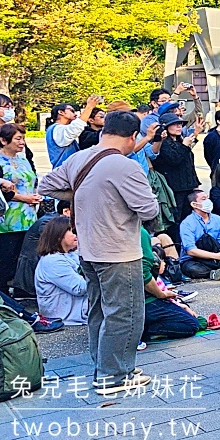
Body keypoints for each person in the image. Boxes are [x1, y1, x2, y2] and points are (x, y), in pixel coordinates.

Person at [38, 110, 160, 394]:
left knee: (99, 311)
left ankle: (107, 365)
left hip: (88, 251)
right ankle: (114, 376)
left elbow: (46, 186)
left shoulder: (79, 157)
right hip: (119, 251)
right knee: (125, 313)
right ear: (132, 137)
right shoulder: (126, 166)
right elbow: (149, 209)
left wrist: (82, 194)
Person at [0, 123, 43, 294]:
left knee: (26, 257)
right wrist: (24, 198)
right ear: (4, 140)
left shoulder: (23, 158)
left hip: (28, 215)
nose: (22, 142)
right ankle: (2, 294)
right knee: (5, 258)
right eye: (18, 138)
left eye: (23, 138)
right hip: (8, 218)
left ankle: (23, 290)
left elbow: (31, 181)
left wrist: (34, 195)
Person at [140, 227, 202, 341]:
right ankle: (144, 331)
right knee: (191, 325)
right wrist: (161, 294)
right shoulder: (139, 232)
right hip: (145, 300)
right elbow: (144, 273)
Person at [34, 216, 88, 325]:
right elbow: (79, 288)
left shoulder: (70, 254)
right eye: (71, 231)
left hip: (78, 307)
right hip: (66, 314)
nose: (76, 235)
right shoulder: (52, 261)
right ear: (58, 236)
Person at [151, 111, 200, 228]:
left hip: (188, 186)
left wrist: (195, 183)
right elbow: (174, 160)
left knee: (189, 218)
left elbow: (188, 163)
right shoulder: (163, 143)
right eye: (175, 124)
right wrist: (184, 145)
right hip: (174, 188)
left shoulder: (180, 141)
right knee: (176, 220)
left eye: (180, 124)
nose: (179, 127)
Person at [46, 97, 99, 169]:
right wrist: (89, 107)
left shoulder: (57, 129)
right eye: (72, 111)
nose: (75, 114)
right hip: (64, 174)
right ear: (61, 112)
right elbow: (75, 128)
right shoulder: (56, 129)